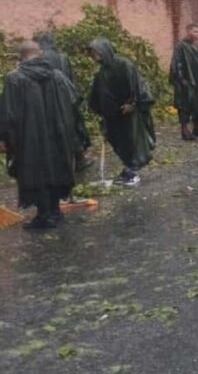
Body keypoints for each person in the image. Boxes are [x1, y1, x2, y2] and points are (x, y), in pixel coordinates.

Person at [0, 42, 79, 229]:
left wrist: (4, 138)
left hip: (29, 138)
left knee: (34, 171)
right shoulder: (57, 75)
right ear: (40, 54)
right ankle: (55, 211)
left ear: (21, 57)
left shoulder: (14, 78)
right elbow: (74, 100)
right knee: (55, 168)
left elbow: (8, 114)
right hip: (58, 135)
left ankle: (44, 216)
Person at [87, 38, 156, 187]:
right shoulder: (101, 72)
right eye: (91, 53)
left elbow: (138, 85)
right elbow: (98, 94)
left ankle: (132, 171)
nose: (93, 56)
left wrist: (133, 103)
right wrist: (101, 111)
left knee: (132, 141)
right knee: (119, 142)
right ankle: (127, 168)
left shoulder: (124, 65)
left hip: (129, 113)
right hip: (113, 115)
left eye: (95, 52)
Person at [34, 31, 92, 172]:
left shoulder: (39, 58)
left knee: (50, 131)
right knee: (71, 129)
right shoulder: (62, 57)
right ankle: (79, 160)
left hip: (46, 100)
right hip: (65, 97)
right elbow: (70, 79)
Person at [170, 23, 198, 141]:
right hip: (186, 82)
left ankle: (197, 127)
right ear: (188, 31)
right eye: (194, 32)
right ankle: (184, 130)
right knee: (185, 105)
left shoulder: (195, 46)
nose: (197, 34)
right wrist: (181, 80)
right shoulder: (180, 46)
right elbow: (177, 64)